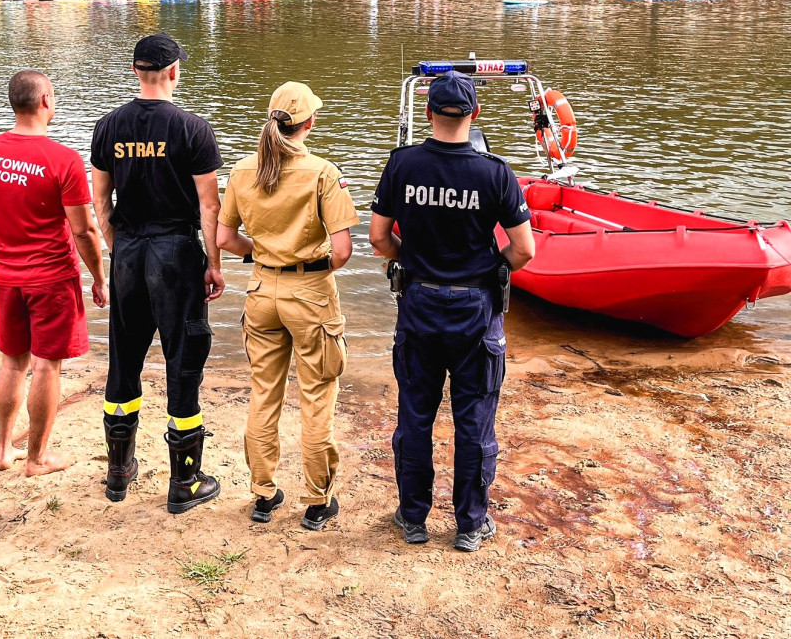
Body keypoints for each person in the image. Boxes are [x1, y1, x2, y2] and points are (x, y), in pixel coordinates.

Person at [369, 71, 535, 549]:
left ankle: (413, 518)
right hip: (476, 310)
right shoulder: (495, 173)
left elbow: (380, 239)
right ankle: (470, 524)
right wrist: (486, 269)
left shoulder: (402, 165)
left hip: (419, 303)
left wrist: (415, 260)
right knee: (475, 419)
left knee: (416, 416)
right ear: (475, 115)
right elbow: (524, 251)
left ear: (427, 114)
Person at [90, 32, 226, 514]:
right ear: (172, 72)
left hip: (128, 252)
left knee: (123, 362)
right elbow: (210, 206)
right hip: (175, 254)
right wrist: (214, 263)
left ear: (135, 71)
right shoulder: (193, 128)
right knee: (183, 361)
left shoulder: (108, 127)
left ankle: (118, 473)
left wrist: (117, 247)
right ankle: (185, 483)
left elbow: (99, 202)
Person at [217, 82, 359, 531]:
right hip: (311, 293)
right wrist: (308, 258)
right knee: (317, 396)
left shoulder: (243, 171)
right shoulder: (322, 173)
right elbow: (341, 251)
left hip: (261, 292)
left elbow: (223, 239)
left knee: (265, 394)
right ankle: (317, 500)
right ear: (309, 123)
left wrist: (260, 254)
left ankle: (263, 494)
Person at [0, 70, 108, 477]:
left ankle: (3, 451)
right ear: (45, 100)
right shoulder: (62, 159)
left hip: (6, 276)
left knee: (12, 362)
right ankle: (37, 459)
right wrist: (98, 276)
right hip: (51, 278)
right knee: (47, 365)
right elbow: (83, 229)